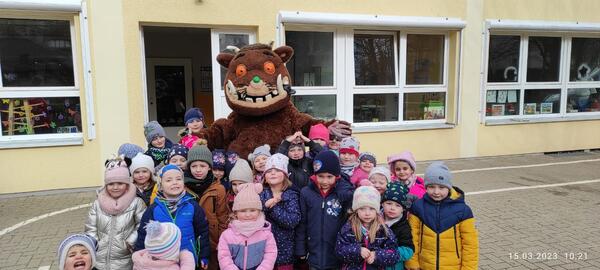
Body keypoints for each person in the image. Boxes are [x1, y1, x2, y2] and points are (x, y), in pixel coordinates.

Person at [135, 164, 210, 269]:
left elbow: (203, 232)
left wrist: (204, 256)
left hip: (189, 261)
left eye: (178, 179)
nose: (175, 183)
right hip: (163, 263)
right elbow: (143, 235)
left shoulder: (192, 206)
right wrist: (141, 259)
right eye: (169, 180)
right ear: (161, 184)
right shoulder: (154, 209)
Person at [406, 162, 479, 270]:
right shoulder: (418, 207)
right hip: (425, 265)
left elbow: (470, 245)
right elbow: (412, 237)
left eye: (441, 187)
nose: (436, 192)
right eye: (431, 187)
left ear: (449, 188)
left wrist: (469, 268)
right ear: (425, 187)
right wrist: (412, 262)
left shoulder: (463, 211)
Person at [295, 150, 355, 270]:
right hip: (313, 255)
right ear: (315, 175)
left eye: (329, 177)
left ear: (337, 176)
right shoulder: (306, 193)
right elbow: (302, 223)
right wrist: (301, 249)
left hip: (337, 254)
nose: (325, 181)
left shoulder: (343, 195)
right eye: (320, 176)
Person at [85, 157, 146, 270]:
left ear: (127, 184)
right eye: (111, 184)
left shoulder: (136, 202)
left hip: (125, 258)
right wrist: (96, 243)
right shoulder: (98, 203)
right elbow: (90, 227)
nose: (115, 187)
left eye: (120, 183)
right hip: (100, 259)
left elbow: (141, 225)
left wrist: (129, 242)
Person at [185, 143, 230, 270]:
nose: (198, 170)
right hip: (189, 239)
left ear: (209, 167)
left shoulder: (219, 189)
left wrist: (221, 241)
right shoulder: (183, 188)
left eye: (202, 166)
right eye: (194, 166)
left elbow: (223, 217)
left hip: (212, 242)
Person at [336, 186, 399, 269]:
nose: (367, 213)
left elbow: (394, 254)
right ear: (356, 210)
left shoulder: (384, 230)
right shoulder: (348, 228)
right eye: (362, 209)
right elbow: (339, 250)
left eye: (371, 209)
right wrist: (357, 251)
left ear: (377, 210)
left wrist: (377, 255)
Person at [217, 183, 278, 270]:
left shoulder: (266, 234)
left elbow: (270, 254)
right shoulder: (227, 235)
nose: (248, 215)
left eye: (252, 210)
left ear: (259, 211)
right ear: (236, 213)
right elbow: (224, 257)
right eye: (243, 211)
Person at [260, 153, 301, 269]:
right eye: (269, 171)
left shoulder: (291, 195)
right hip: (263, 251)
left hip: (285, 252)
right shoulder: (261, 194)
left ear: (285, 175)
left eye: (277, 170)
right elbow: (254, 216)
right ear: (265, 178)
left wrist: (272, 207)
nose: (272, 173)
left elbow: (292, 221)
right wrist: (265, 205)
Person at [382, 182, 415, 270]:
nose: (392, 208)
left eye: (397, 205)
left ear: (403, 209)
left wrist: (387, 254)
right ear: (382, 204)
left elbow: (408, 250)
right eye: (389, 203)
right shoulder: (374, 220)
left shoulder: (404, 226)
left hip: (394, 266)